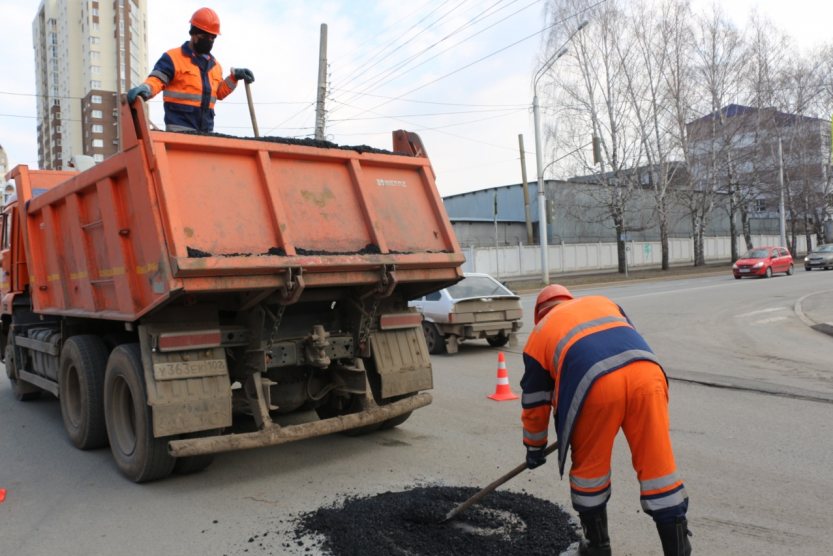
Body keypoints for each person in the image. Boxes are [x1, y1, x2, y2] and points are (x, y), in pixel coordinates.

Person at [521, 285, 691, 556]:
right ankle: (679, 549)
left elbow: (536, 402)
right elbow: (628, 337)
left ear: (538, 314)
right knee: (659, 468)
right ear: (569, 300)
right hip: (648, 375)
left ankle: (598, 546)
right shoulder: (602, 302)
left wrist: (534, 446)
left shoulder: (539, 333)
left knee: (591, 471)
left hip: (595, 386)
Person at [126, 8, 254, 132]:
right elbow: (157, 80)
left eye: (212, 38)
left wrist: (234, 78)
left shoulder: (215, 66)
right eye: (205, 36)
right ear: (193, 33)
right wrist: (146, 89)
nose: (209, 41)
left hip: (206, 132)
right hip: (179, 130)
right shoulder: (173, 58)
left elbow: (219, 93)